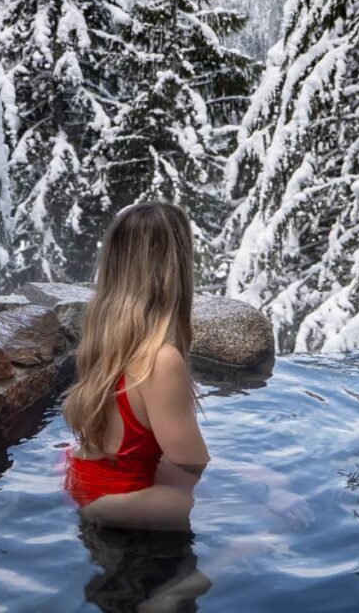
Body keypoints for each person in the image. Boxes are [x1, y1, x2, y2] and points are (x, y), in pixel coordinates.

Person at [61, 200, 210, 532]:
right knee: (263, 531)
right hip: (122, 509)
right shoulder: (160, 360)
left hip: (87, 487)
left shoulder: (107, 344)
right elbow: (195, 471)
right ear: (176, 270)